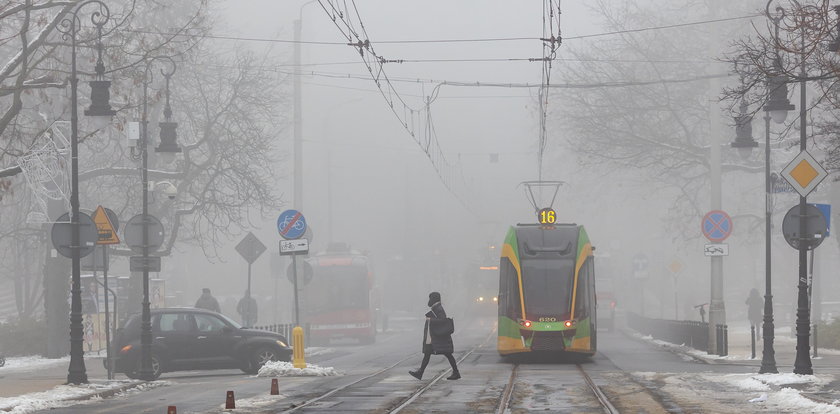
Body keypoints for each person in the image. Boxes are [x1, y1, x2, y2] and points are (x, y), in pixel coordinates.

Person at [409, 292, 460, 381]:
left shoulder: (438, 308)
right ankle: (420, 372)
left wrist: (430, 319)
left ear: (434, 299)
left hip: (439, 338)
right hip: (435, 337)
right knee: (427, 353)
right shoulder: (436, 307)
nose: (429, 301)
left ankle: (456, 372)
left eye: (430, 298)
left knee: (448, 354)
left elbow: (442, 320)